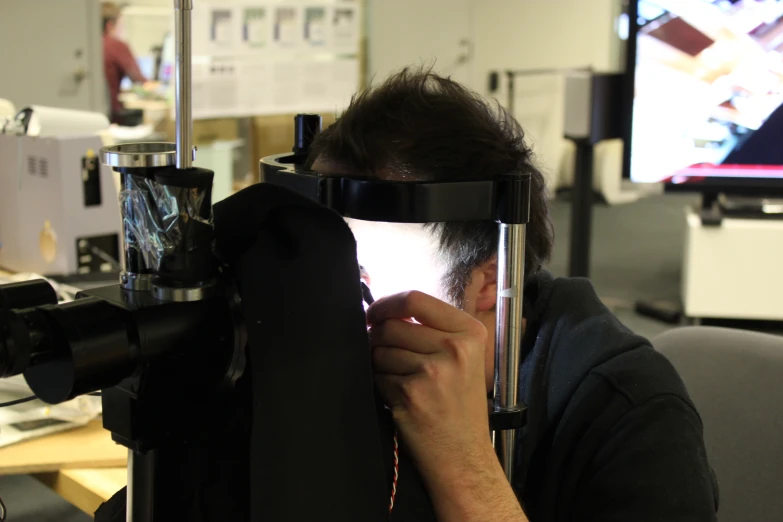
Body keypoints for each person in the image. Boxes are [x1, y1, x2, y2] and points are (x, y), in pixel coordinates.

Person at [306, 68, 719, 521]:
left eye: (366, 274)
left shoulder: (633, 412)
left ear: (488, 280)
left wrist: (463, 462)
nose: (342, 302)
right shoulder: (331, 366)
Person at [101, 2, 149, 122]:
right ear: (109, 25)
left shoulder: (87, 46)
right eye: (121, 25)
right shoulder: (116, 45)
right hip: (113, 117)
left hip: (95, 115)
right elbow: (139, 80)